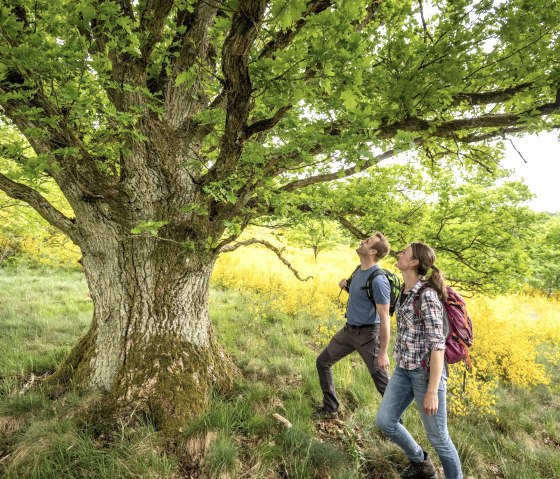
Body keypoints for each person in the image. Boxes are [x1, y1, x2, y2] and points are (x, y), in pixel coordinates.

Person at [376, 242, 463, 479]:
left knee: (439, 438)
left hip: (426, 375)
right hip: (404, 370)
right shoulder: (405, 290)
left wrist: (432, 391)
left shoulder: (428, 296)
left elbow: (438, 346)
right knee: (385, 421)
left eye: (404, 253)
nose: (399, 254)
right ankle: (421, 462)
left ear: (414, 262)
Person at [314, 232, 391, 420]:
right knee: (322, 362)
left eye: (367, 242)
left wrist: (382, 353)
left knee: (383, 384)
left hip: (368, 336)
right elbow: (362, 296)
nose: (362, 241)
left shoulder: (379, 280)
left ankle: (396, 425)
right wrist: (346, 287)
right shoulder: (358, 270)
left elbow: (385, 318)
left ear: (372, 251)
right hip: (349, 331)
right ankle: (331, 408)